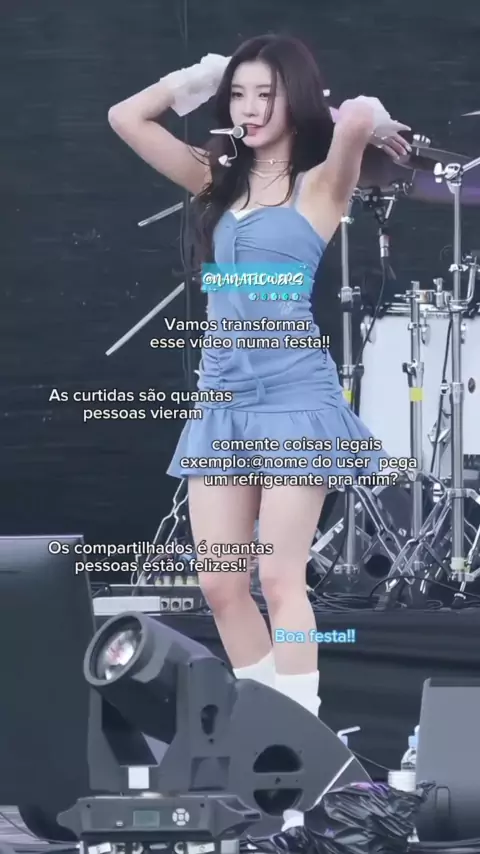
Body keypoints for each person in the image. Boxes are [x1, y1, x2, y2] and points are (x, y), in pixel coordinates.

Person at [108, 33, 410, 851]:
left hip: (291, 398)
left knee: (280, 577)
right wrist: (199, 76)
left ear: (294, 100)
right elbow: (126, 117)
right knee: (220, 585)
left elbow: (363, 112)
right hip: (222, 402)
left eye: (263, 94)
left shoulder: (321, 182)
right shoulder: (216, 181)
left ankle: (307, 759)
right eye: (236, 95)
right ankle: (269, 742)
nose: (246, 108)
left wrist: (367, 120)